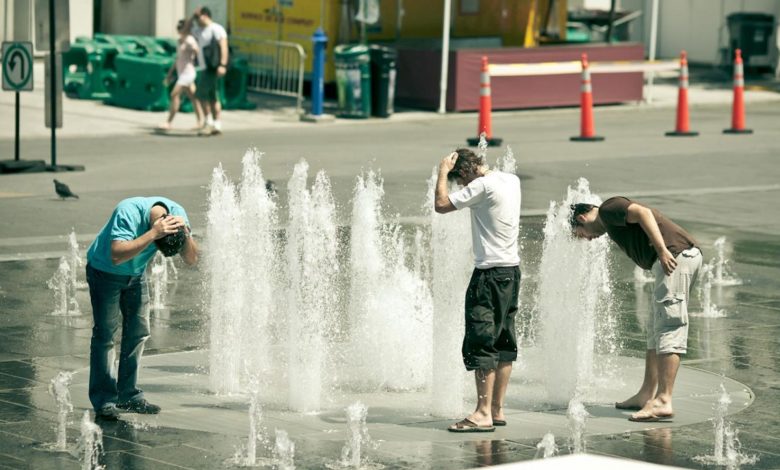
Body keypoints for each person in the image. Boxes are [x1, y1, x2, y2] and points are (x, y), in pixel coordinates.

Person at [570, 197, 702, 422]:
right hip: (674, 259)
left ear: (581, 218)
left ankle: (663, 400)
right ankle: (646, 394)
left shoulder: (608, 209)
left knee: (669, 327)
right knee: (655, 329)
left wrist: (661, 250)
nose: (588, 240)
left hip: (673, 257)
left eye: (580, 234)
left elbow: (643, 213)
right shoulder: (610, 222)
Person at [86, 197, 199, 420]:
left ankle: (128, 396)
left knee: (138, 333)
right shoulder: (127, 211)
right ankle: (105, 400)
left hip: (136, 274)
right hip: (105, 272)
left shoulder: (177, 214)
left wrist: (185, 233)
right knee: (105, 335)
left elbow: (191, 259)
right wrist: (153, 234)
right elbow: (117, 255)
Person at [435, 149, 521, 433]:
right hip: (512, 272)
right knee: (504, 340)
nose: (461, 186)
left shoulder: (481, 185)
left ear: (465, 172)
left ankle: (482, 413)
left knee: (482, 338)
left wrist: (442, 171)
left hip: (489, 275)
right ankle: (496, 409)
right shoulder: (511, 180)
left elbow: (441, 204)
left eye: (458, 179)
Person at [158, 18, 203, 131]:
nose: (179, 30)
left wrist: (195, 57)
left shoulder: (189, 40)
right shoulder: (180, 41)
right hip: (181, 72)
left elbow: (197, 51)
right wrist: (170, 74)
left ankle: (169, 122)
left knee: (174, 94)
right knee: (194, 97)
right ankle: (201, 121)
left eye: (181, 28)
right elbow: (178, 58)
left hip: (188, 73)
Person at [191, 6, 228, 136]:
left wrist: (223, 64)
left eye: (198, 16)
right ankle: (217, 124)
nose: (196, 19)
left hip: (211, 67)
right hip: (203, 67)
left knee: (200, 94)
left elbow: (223, 47)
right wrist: (192, 17)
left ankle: (209, 121)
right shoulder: (198, 30)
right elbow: (185, 30)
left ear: (205, 15)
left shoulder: (216, 29)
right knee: (212, 96)